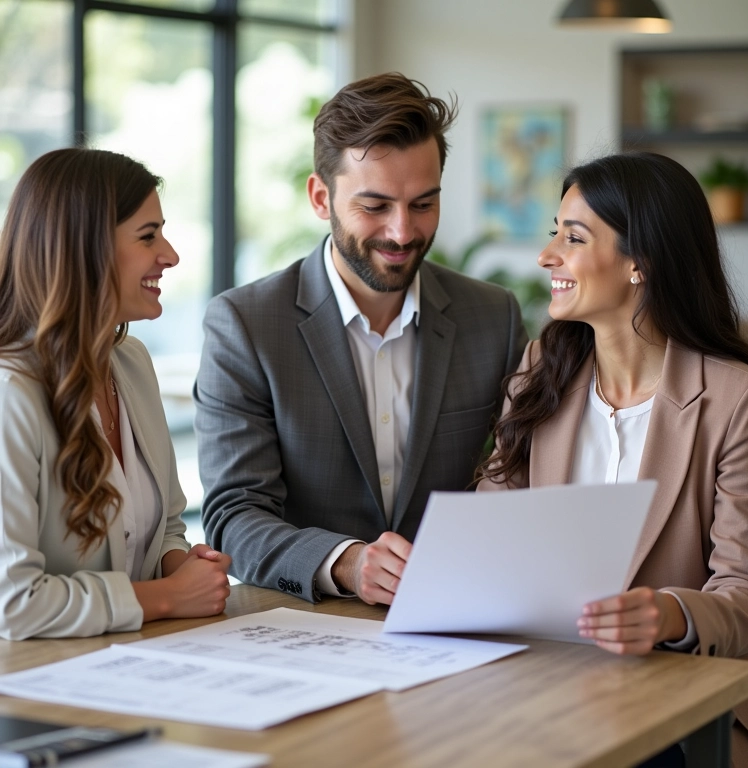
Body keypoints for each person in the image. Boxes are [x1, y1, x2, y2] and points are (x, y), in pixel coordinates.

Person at [477, 151, 748, 767]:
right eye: (555, 231)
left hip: (680, 713)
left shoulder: (739, 400)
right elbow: (489, 542)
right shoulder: (539, 372)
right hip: (540, 691)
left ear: (641, 262)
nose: (547, 254)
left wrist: (666, 613)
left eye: (573, 237)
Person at [195, 72, 527, 605]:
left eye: (424, 204)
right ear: (320, 197)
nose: (402, 232)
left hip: (459, 619)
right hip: (303, 631)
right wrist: (346, 563)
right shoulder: (245, 325)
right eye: (375, 207)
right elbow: (234, 515)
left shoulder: (494, 317)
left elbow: (527, 482)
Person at [0, 148, 231, 640]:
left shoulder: (132, 363)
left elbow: (165, 526)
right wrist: (167, 597)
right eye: (148, 236)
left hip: (137, 664)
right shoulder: (10, 395)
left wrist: (183, 565)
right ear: (84, 249)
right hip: (36, 692)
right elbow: (12, 603)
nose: (169, 255)